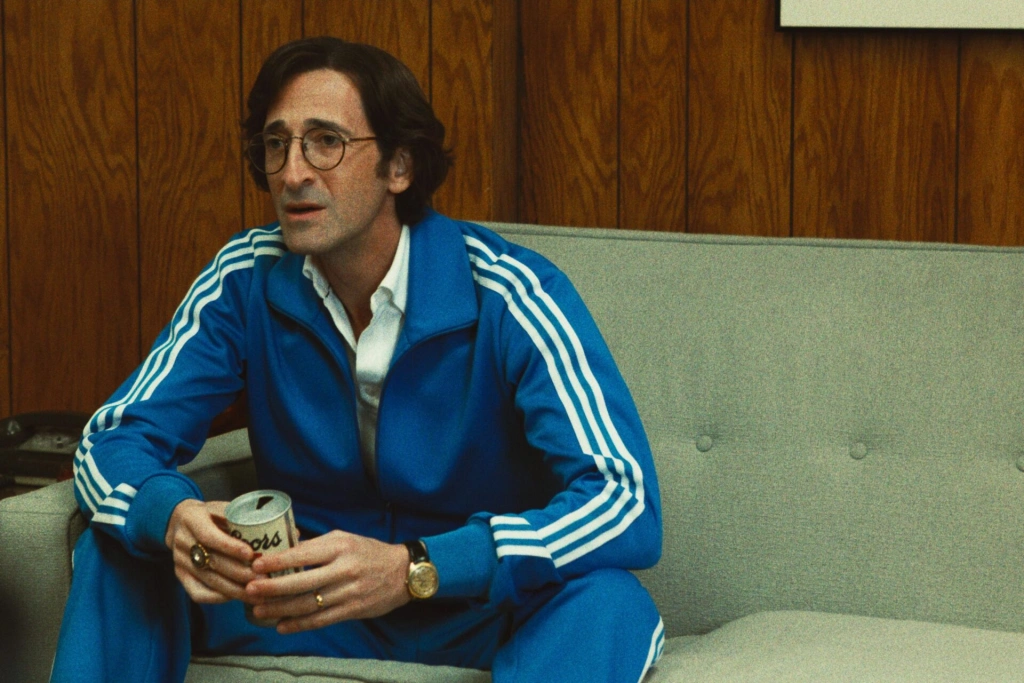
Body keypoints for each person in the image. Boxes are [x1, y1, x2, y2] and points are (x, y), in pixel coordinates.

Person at [51, 36, 664, 683]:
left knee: (608, 604)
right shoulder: (245, 278)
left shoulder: (511, 292)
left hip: (476, 608)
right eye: (276, 144)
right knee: (120, 549)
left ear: (399, 166)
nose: (292, 173)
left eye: (326, 142)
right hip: (302, 600)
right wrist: (170, 517)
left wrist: (416, 566)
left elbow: (624, 500)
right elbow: (112, 439)